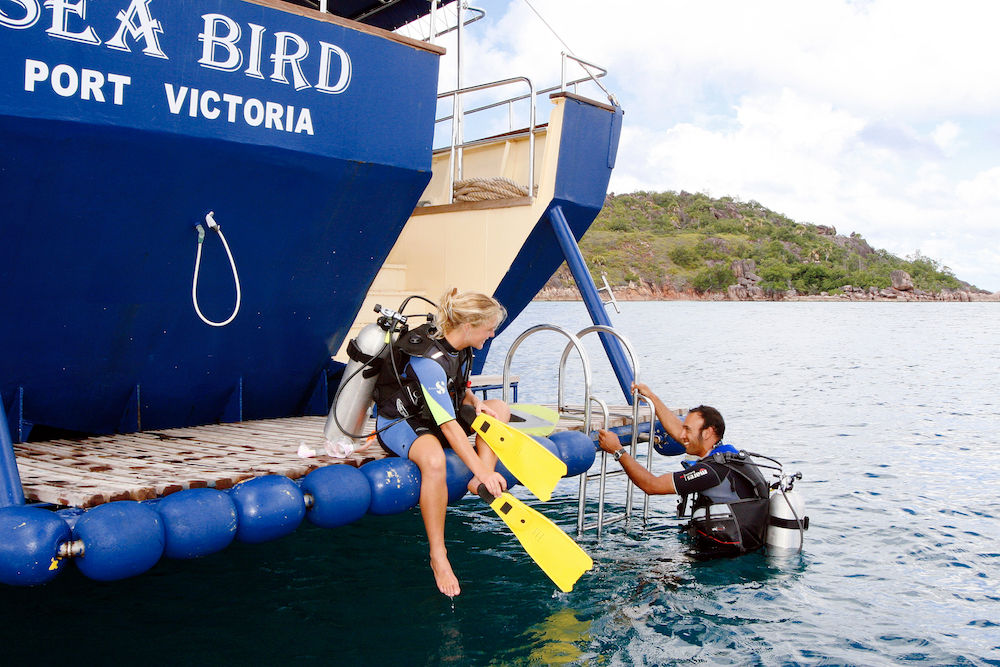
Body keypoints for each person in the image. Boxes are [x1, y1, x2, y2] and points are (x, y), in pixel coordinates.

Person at [373, 289, 510, 596]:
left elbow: (457, 387)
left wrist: (475, 402)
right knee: (434, 461)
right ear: (469, 325)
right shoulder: (427, 358)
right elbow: (448, 427)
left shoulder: (462, 346)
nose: (491, 333)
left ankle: (478, 479)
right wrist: (487, 470)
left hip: (439, 412)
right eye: (489, 327)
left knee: (499, 410)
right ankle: (439, 555)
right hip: (402, 421)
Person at [597, 383, 770, 557]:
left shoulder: (710, 471)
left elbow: (652, 485)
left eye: (688, 429)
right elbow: (679, 432)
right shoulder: (728, 454)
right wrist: (652, 397)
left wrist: (618, 450)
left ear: (708, 433)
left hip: (722, 556)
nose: (681, 435)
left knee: (651, 574)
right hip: (741, 546)